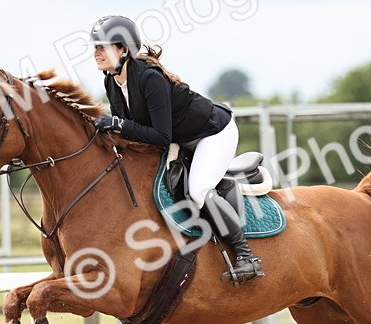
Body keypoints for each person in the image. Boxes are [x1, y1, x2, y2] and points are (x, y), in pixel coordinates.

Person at [89, 14, 264, 284]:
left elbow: (160, 135)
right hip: (181, 140)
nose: (96, 52)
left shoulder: (149, 78)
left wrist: (119, 124)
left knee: (198, 190)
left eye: (102, 46)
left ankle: (246, 257)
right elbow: (130, 131)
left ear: (123, 49)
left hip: (213, 133)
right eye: (95, 47)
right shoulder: (112, 81)